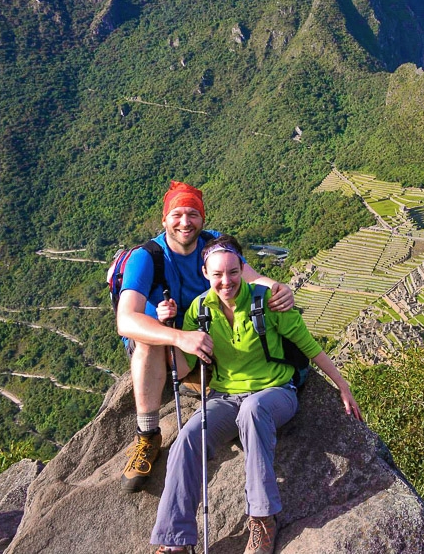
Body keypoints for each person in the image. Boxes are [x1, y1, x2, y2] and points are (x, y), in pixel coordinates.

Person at [150, 235, 362, 554]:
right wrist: (173, 333)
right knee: (187, 438)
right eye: (218, 274)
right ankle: (174, 540)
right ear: (205, 274)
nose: (226, 281)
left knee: (253, 409)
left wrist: (342, 385)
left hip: (276, 392)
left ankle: (262, 518)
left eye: (233, 272)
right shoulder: (199, 310)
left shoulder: (267, 300)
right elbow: (183, 365)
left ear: (241, 269)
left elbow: (308, 345)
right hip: (225, 396)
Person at [117, 181, 295, 492]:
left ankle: (222, 388)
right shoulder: (147, 258)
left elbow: (253, 280)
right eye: (177, 214)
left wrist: (279, 290)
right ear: (164, 219)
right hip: (171, 348)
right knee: (147, 340)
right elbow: (126, 320)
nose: (185, 222)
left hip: (211, 343)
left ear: (203, 218)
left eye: (192, 214)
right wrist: (178, 337)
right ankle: (147, 436)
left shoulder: (214, 246)